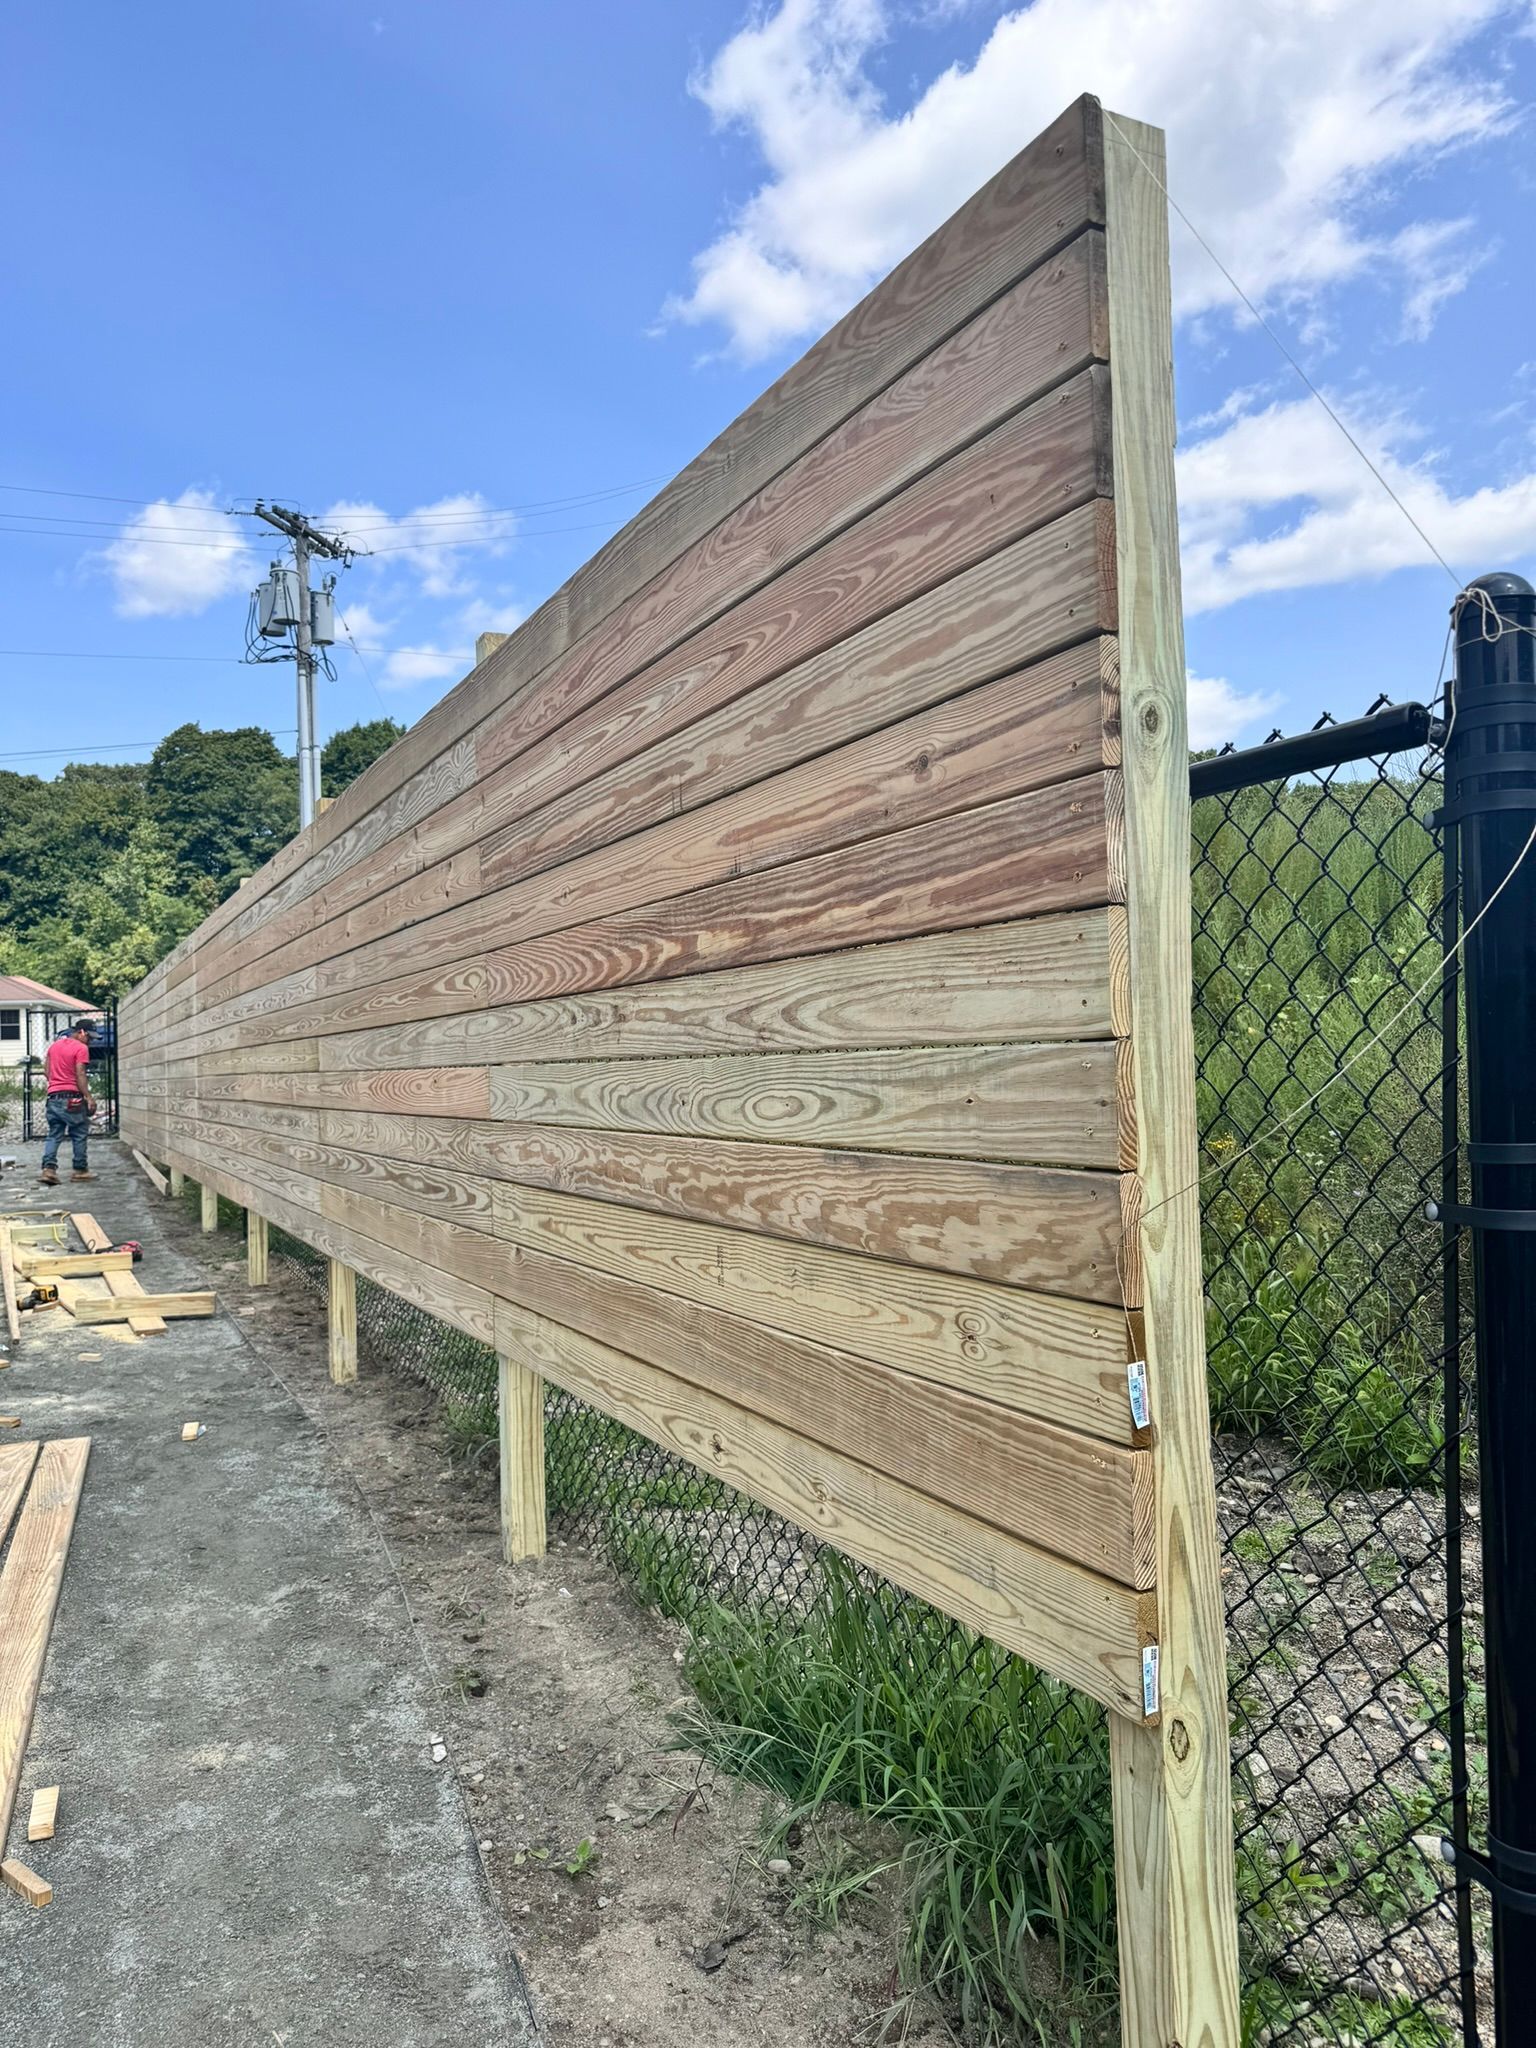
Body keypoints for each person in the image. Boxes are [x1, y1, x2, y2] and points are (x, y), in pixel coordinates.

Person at [39, 1021, 96, 1186]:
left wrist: (56, 1084)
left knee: (54, 1133)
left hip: (53, 1096)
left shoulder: (54, 1046)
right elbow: (80, 1072)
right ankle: (80, 1170)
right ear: (82, 1032)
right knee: (79, 1132)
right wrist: (88, 1096)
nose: (90, 1042)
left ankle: (48, 1170)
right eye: (89, 1037)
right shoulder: (81, 1048)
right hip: (72, 1097)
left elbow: (46, 1070)